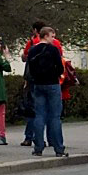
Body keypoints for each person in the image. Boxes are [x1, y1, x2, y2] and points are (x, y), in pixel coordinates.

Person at [25, 27, 67, 157]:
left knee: (39, 116)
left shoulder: (32, 50)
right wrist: (55, 74)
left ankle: (38, 147)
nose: (53, 39)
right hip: (52, 84)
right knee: (55, 116)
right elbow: (60, 68)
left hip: (38, 85)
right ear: (46, 36)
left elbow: (30, 69)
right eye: (52, 36)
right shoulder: (53, 49)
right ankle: (58, 148)